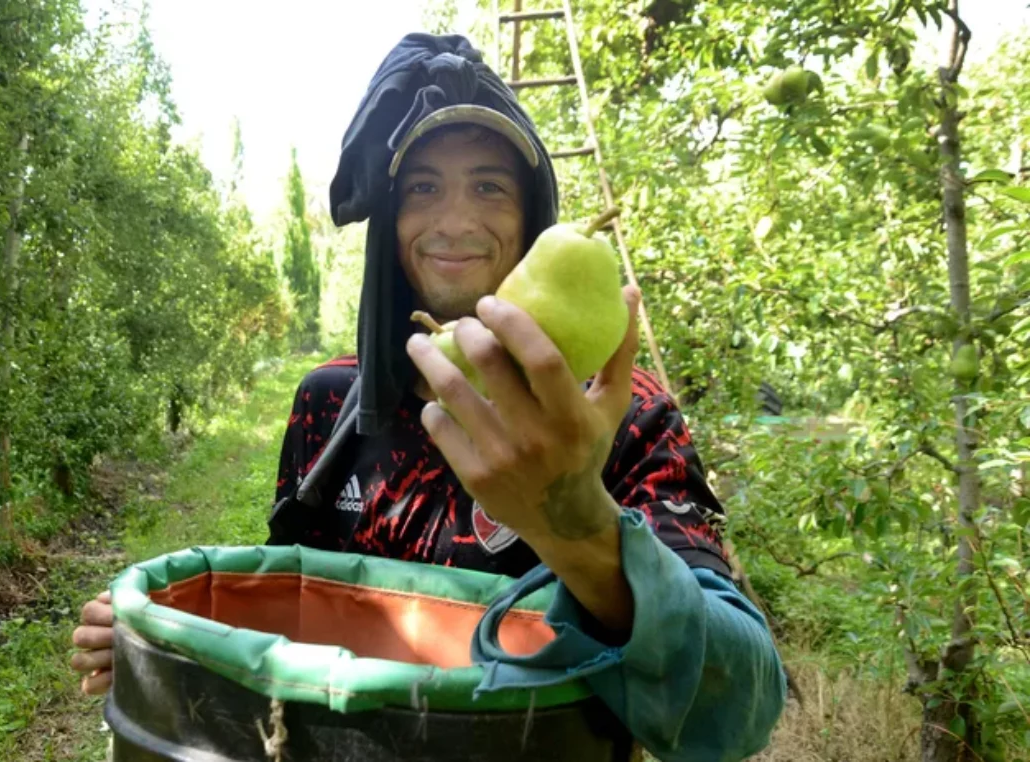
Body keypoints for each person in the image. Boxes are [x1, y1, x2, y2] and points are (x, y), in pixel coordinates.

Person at [71, 33, 786, 760]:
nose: (453, 222)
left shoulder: (619, 415)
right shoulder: (332, 403)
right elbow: (291, 622)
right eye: (422, 188)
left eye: (488, 186)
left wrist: (578, 525)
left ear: (533, 219)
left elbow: (738, 714)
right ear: (391, 224)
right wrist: (167, 645)